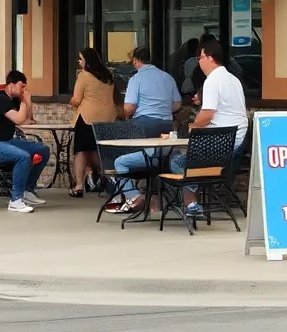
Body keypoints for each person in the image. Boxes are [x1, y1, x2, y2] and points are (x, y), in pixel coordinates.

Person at [170, 38, 249, 217]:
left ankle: (191, 204)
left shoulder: (213, 80)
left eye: (200, 56)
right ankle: (193, 196)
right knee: (187, 156)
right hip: (235, 144)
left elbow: (207, 114)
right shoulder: (233, 79)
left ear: (210, 57)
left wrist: (193, 126)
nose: (198, 61)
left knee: (176, 161)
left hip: (218, 145)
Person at [105, 47, 182, 213]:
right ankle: (157, 197)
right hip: (166, 125)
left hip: (143, 124)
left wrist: (125, 115)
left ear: (136, 60)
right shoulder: (167, 77)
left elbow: (129, 108)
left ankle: (134, 195)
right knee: (160, 159)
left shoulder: (136, 79)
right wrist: (163, 109)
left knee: (129, 158)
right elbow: (177, 104)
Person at [0, 70, 50, 214]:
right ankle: (15, 200)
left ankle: (27, 191)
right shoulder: (0, 99)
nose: (24, 90)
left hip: (6, 142)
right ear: (11, 85)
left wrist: (27, 101)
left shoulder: (15, 100)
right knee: (23, 157)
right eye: (22, 86)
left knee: (42, 150)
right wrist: (23, 101)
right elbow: (18, 120)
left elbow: (28, 120)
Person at [68, 47, 116, 198]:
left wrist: (71, 102)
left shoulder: (84, 76)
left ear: (87, 61)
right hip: (108, 118)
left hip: (88, 118)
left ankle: (79, 185)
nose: (79, 61)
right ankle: (111, 179)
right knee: (100, 150)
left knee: (81, 151)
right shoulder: (109, 75)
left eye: (81, 59)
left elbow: (76, 100)